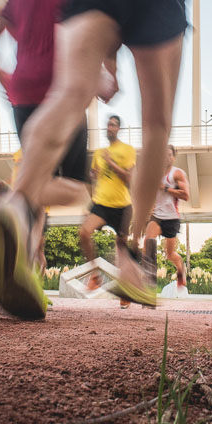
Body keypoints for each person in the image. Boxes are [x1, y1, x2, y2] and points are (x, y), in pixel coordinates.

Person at [4, 0, 200, 312]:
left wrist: (106, 55)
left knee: (68, 95)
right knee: (156, 123)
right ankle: (132, 250)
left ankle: (18, 202)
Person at [0, 0, 98, 319]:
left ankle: (22, 270)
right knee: (79, 191)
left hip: (23, 94)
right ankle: (11, 202)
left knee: (35, 179)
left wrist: (6, 79)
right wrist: (104, 72)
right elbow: (89, 31)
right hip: (62, 92)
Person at [81, 115, 135, 307]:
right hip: (101, 203)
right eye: (107, 125)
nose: (109, 128)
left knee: (121, 249)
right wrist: (92, 176)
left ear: (119, 128)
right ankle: (95, 275)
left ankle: (125, 291)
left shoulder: (127, 150)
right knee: (84, 233)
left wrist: (112, 163)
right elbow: (95, 176)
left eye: (113, 125)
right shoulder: (99, 153)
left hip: (122, 205)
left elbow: (129, 178)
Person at [144, 145, 190, 298]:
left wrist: (166, 188)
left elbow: (186, 195)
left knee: (170, 254)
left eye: (169, 155)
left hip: (172, 218)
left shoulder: (177, 174)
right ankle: (149, 283)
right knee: (148, 241)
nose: (166, 158)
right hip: (157, 216)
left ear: (173, 157)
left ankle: (180, 268)